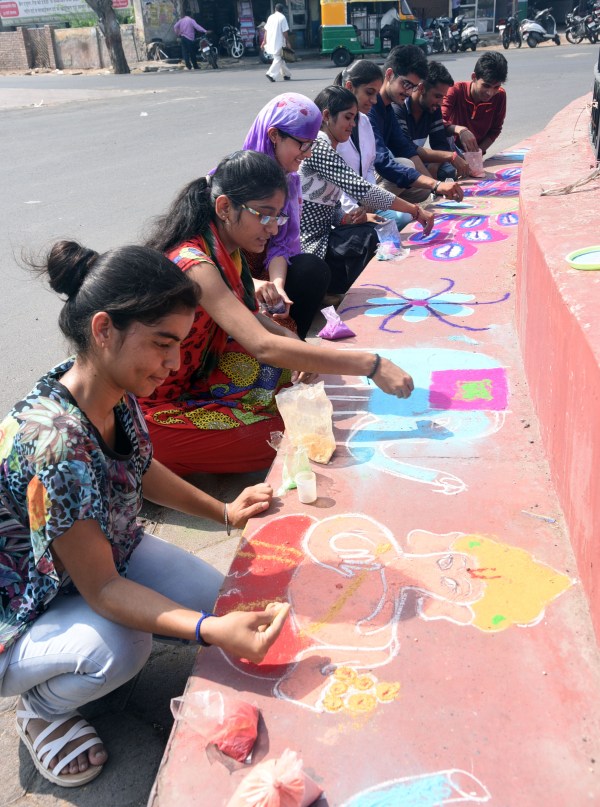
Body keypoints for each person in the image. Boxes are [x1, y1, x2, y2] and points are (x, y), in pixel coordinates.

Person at [0, 240, 291, 787]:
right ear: (104, 328)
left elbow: (140, 465)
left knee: (224, 602)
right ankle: (42, 710)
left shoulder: (109, 383)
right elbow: (105, 592)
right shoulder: (55, 446)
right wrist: (208, 631)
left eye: (179, 345)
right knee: (122, 645)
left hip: (95, 556)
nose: (175, 363)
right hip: (20, 603)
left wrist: (224, 512)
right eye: (163, 344)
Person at [141, 150, 415, 477]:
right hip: (151, 405)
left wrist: (298, 348)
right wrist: (371, 365)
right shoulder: (195, 263)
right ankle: (154, 455)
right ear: (225, 208)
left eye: (278, 217)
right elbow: (261, 344)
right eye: (265, 215)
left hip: (193, 374)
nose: (273, 229)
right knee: (281, 436)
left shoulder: (226, 249)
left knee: (293, 384)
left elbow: (252, 316)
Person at [299, 86, 434, 296]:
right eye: (348, 118)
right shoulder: (318, 146)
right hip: (309, 243)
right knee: (366, 238)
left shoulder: (328, 145)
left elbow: (332, 208)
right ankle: (332, 292)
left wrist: (349, 219)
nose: (352, 125)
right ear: (326, 116)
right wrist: (414, 210)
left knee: (372, 229)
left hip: (324, 234)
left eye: (354, 119)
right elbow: (364, 190)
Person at [242, 93, 331, 339]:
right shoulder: (233, 182)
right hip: (229, 283)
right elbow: (209, 266)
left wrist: (278, 288)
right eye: (303, 144)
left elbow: (280, 245)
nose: (308, 153)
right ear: (274, 136)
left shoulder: (290, 183)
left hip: (259, 279)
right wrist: (248, 284)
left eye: (311, 144)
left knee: (311, 270)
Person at [368, 45, 465, 204]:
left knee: (423, 190)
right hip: (362, 176)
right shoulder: (371, 108)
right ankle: (370, 208)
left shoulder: (387, 108)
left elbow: (405, 148)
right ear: (390, 74)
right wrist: (434, 184)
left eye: (413, 87)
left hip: (379, 171)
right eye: (406, 84)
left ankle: (387, 205)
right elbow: (381, 161)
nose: (408, 92)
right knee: (406, 166)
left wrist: (434, 186)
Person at [334, 60, 413, 233]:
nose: (374, 100)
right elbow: (338, 184)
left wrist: (369, 203)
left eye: (376, 94)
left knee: (405, 218)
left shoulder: (364, 121)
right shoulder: (330, 128)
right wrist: (356, 211)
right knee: (371, 233)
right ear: (349, 87)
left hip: (363, 198)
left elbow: (369, 167)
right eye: (369, 93)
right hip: (340, 211)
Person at [392, 60, 470, 181]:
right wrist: (450, 157)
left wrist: (435, 164)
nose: (441, 102)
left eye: (443, 97)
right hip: (399, 163)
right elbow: (407, 148)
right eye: (437, 96)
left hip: (419, 161)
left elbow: (440, 143)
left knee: (449, 171)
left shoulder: (432, 108)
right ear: (421, 88)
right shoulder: (398, 107)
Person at [442, 52, 508, 156]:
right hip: (449, 151)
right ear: (474, 77)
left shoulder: (500, 95)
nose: (490, 93)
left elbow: (495, 130)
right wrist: (460, 130)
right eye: (486, 86)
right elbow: (439, 121)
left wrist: (477, 153)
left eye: (496, 87)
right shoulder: (455, 90)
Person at [263, 3, 293, 83]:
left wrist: (264, 41)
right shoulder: (282, 18)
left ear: (275, 9)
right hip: (279, 42)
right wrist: (287, 42)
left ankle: (287, 74)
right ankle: (271, 74)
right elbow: (285, 32)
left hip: (271, 41)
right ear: (282, 10)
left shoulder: (270, 17)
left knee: (280, 59)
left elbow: (266, 30)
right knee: (278, 59)